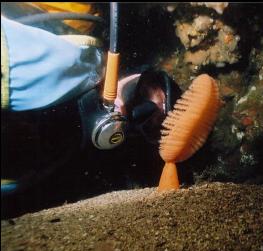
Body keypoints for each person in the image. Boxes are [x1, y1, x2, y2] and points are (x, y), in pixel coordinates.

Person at [0, 3, 181, 195]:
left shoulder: (54, 162)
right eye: (142, 91)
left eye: (152, 124)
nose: (135, 109)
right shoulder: (75, 55)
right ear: (131, 71)